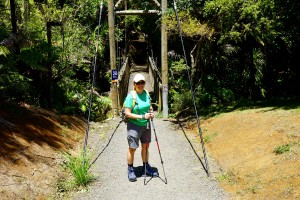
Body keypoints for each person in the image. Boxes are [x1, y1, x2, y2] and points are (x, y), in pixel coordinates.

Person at [124, 73, 158, 182]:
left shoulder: (146, 93)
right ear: (134, 84)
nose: (140, 85)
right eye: (138, 83)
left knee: (145, 146)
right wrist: (142, 116)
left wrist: (151, 112)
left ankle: (146, 167)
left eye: (142, 82)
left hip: (146, 125)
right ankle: (130, 169)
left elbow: (150, 106)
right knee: (132, 148)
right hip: (134, 125)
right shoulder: (131, 96)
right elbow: (127, 114)